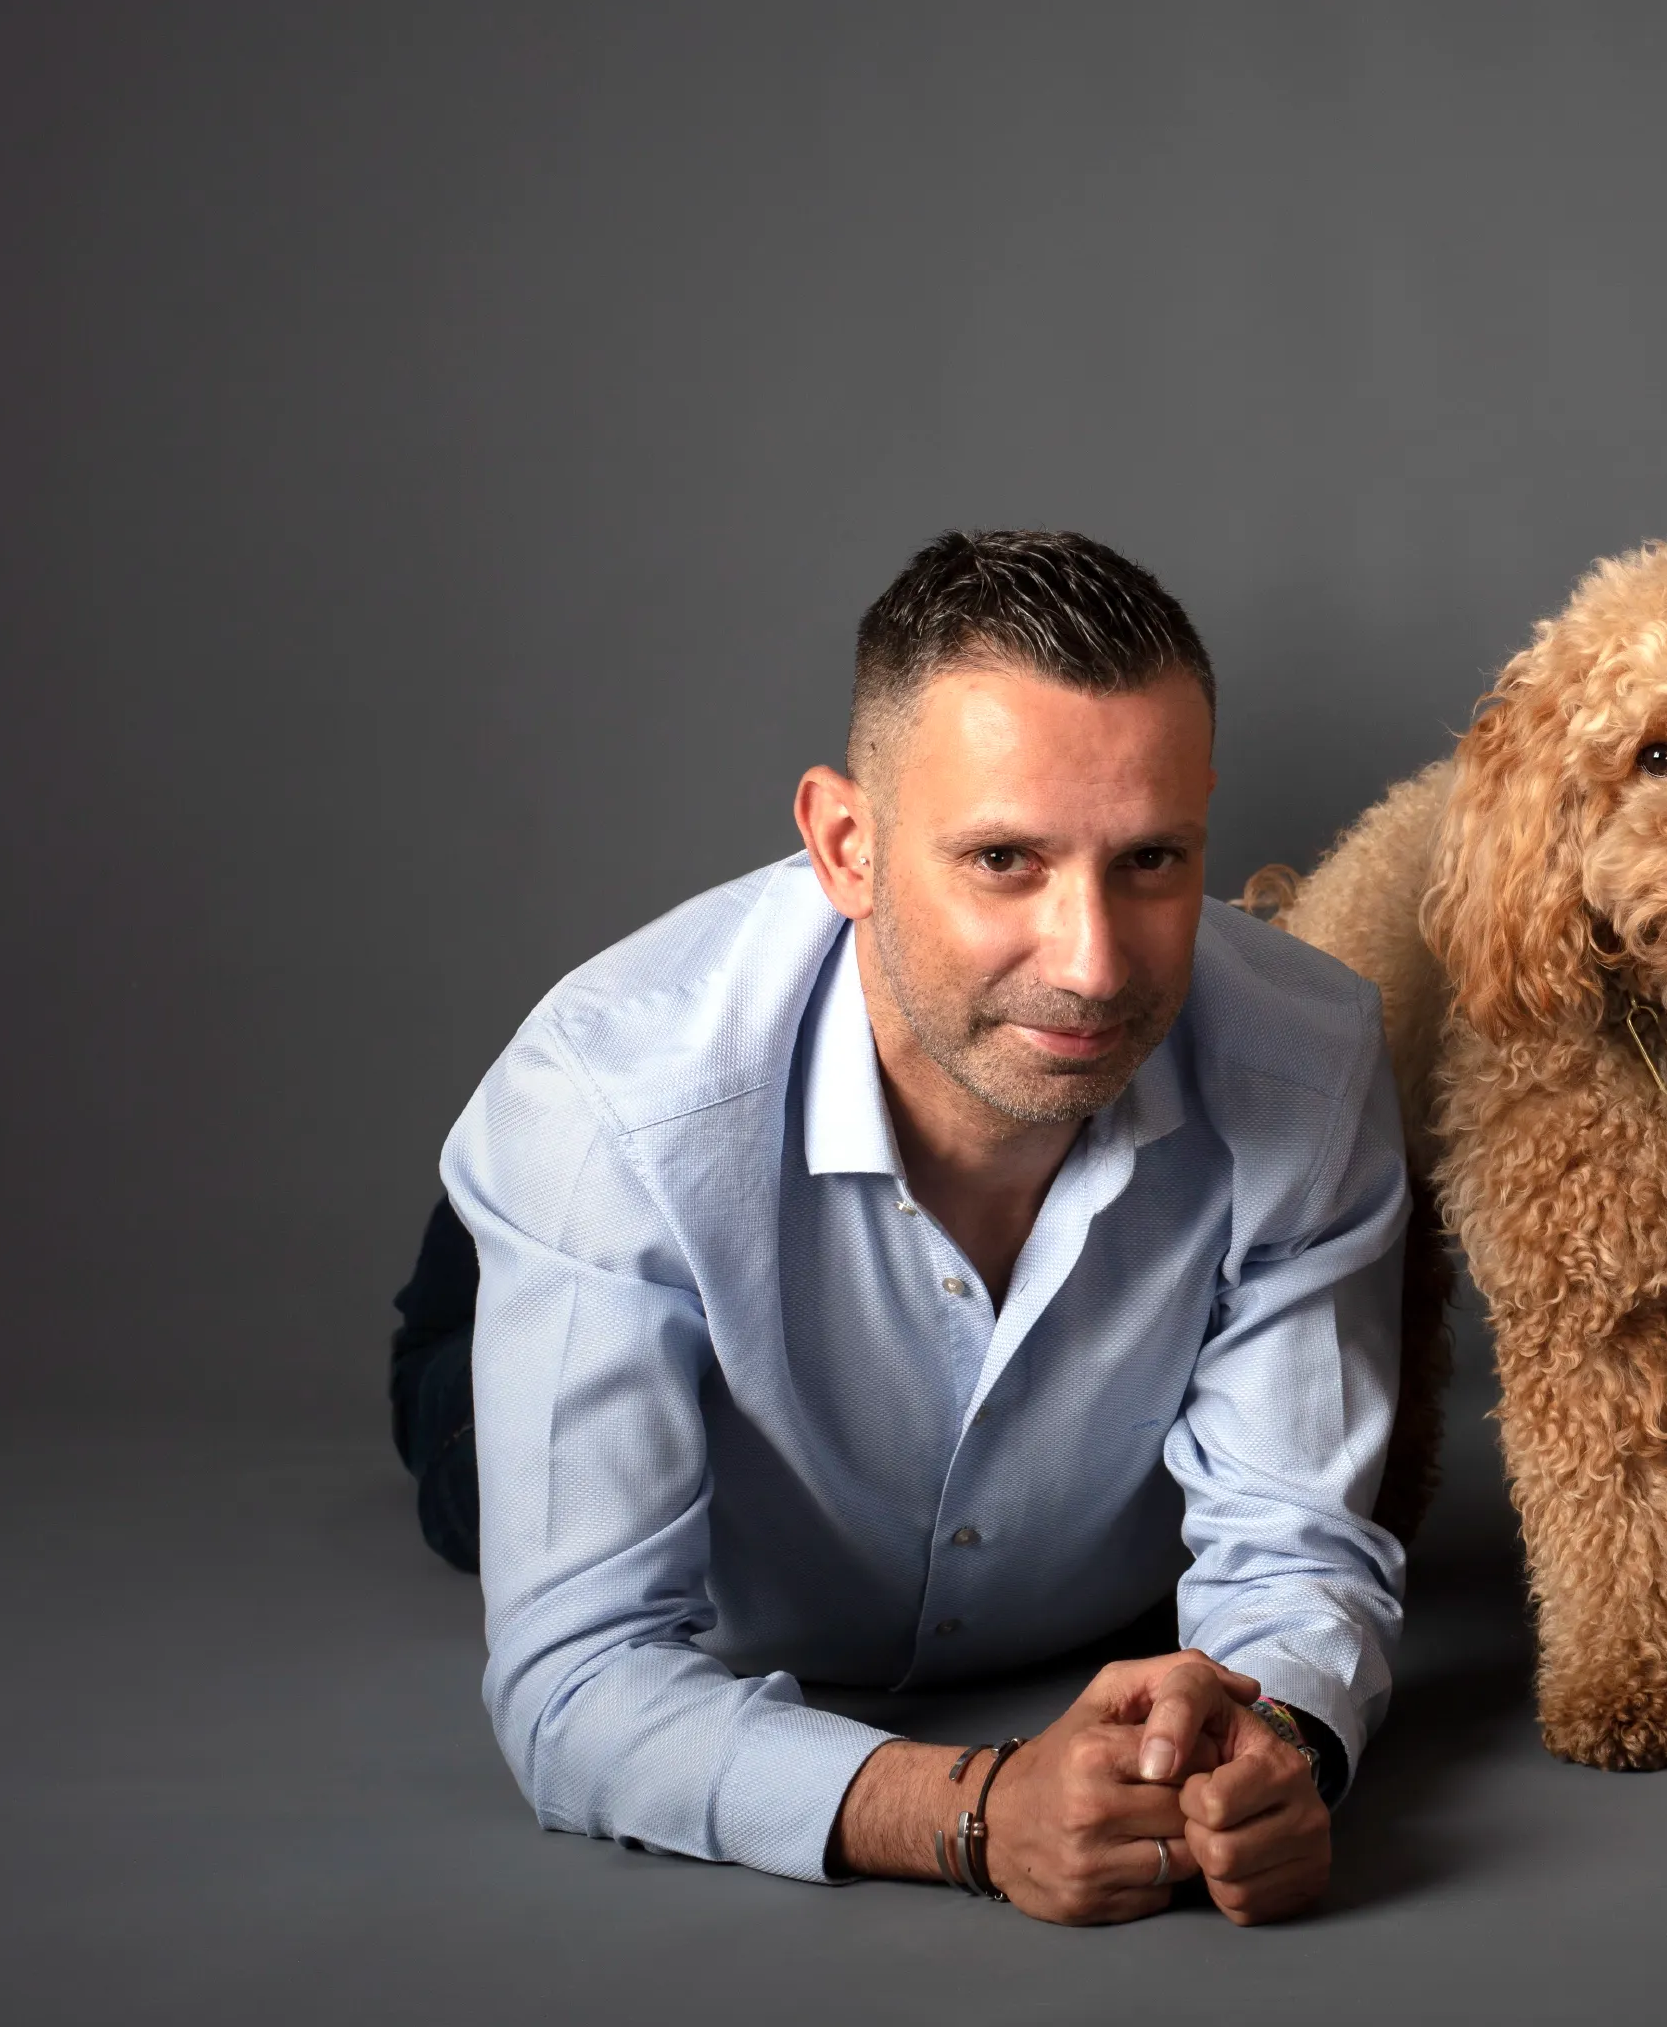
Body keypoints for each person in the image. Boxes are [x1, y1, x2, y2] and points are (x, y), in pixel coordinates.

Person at [423, 529, 1407, 1919]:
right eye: (1004, 858)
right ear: (846, 847)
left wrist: (1283, 1746)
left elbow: (1293, 1550)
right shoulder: (608, 1104)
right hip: (625, 1211)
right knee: (477, 1454)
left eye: (1150, 860)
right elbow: (578, 1682)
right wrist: (968, 1809)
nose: (1091, 961)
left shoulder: (1307, 1060)